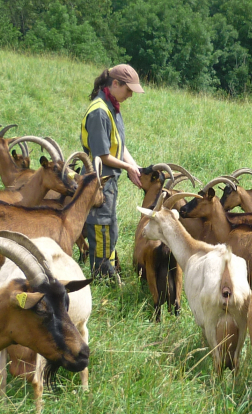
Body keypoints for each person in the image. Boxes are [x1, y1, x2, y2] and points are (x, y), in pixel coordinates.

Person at [80, 64, 144, 280]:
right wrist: (127, 167)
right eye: (128, 90)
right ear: (115, 83)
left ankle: (111, 271)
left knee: (110, 227)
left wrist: (135, 166)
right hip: (98, 182)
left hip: (109, 180)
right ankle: (101, 277)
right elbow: (102, 155)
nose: (130, 96)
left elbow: (119, 145)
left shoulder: (112, 106)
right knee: (101, 228)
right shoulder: (99, 111)